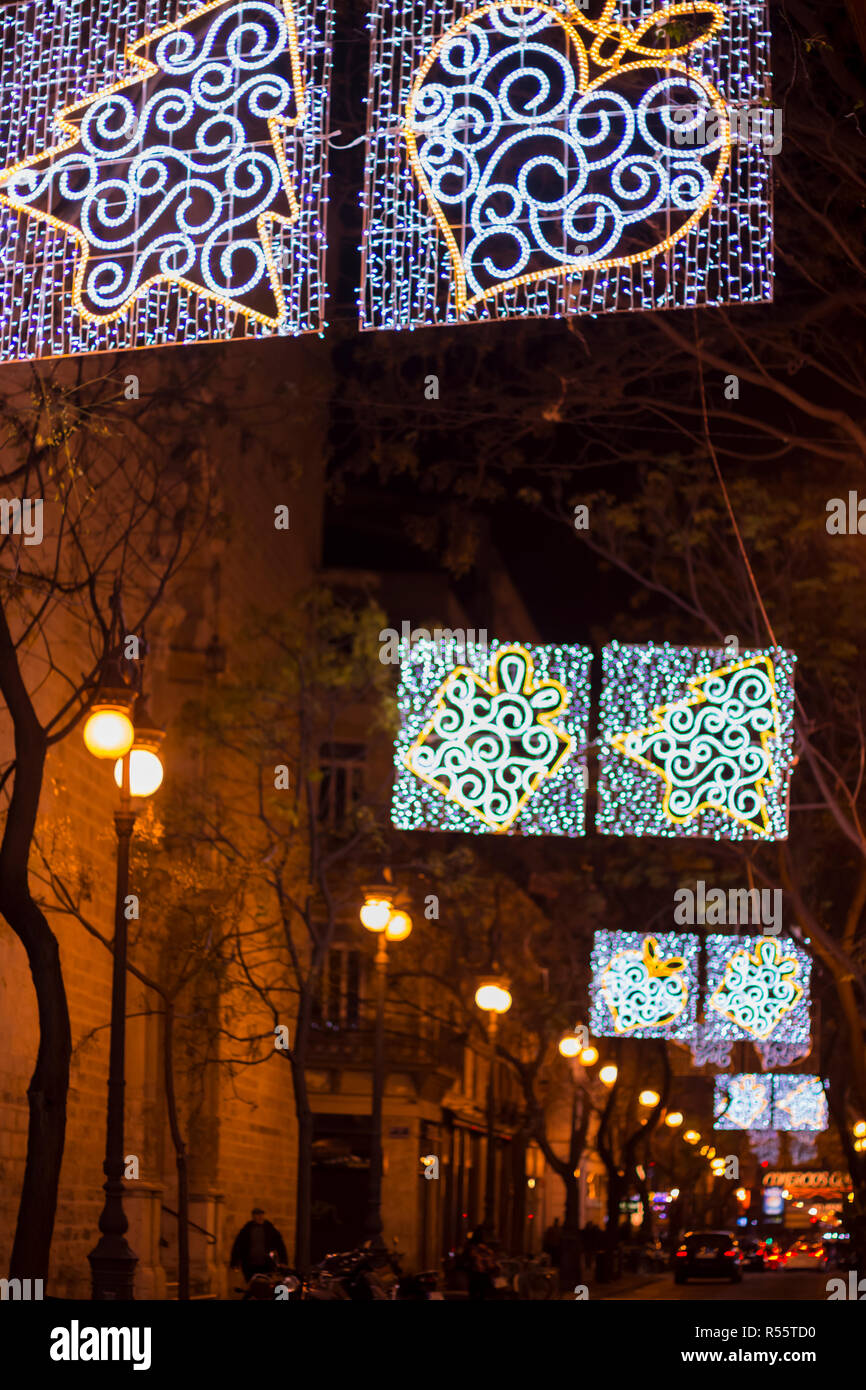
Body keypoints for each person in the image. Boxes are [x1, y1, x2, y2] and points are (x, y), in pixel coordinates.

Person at [230, 1207, 288, 1284]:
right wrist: (235, 1262)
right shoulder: (246, 1230)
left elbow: (280, 1245)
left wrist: (283, 1261)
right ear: (253, 1216)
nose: (260, 1217)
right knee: (252, 1284)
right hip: (250, 1264)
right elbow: (238, 1246)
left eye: (261, 1215)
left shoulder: (270, 1229)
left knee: (266, 1283)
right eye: (257, 1215)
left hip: (266, 1264)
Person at [461, 1225, 499, 1301]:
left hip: (474, 1274)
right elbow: (490, 1262)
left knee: (474, 1294)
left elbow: (466, 1258)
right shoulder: (485, 1248)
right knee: (482, 1294)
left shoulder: (471, 1247)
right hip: (483, 1274)